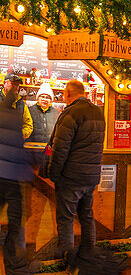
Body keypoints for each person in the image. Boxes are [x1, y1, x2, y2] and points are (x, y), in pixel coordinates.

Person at [46, 80, 104, 269]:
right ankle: (89, 256)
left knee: (66, 219)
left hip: (71, 177)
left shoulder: (70, 113)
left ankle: (70, 263)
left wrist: (53, 174)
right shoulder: (98, 112)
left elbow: (60, 148)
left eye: (63, 94)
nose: (63, 97)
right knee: (87, 216)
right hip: (91, 176)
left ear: (69, 93)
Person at [0, 85, 37, 275]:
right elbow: (19, 148)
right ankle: (15, 266)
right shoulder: (16, 117)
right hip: (12, 178)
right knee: (16, 222)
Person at [2, 76, 31, 140]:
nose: (15, 87)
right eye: (13, 84)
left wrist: (19, 135)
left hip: (15, 143)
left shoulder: (22, 104)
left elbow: (28, 125)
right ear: (4, 83)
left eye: (17, 85)